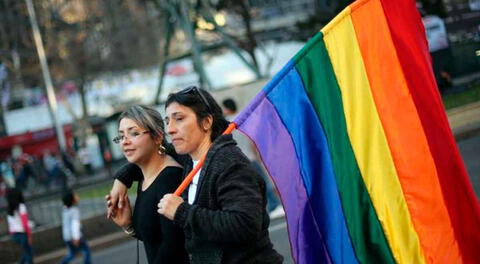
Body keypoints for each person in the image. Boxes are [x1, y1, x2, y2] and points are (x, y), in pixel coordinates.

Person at [108, 86, 283, 263]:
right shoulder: (189, 161)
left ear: (206, 122)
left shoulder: (229, 163)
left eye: (179, 119)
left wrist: (182, 212)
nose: (170, 129)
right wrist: (122, 179)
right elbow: (151, 153)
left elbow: (245, 224)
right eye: (168, 121)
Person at [107, 105, 189, 264]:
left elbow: (174, 249)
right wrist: (128, 225)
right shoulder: (145, 176)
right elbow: (154, 238)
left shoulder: (169, 178)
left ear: (157, 136)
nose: (125, 142)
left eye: (134, 133)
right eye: (121, 136)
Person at [222, 98, 284, 219]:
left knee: (252, 186)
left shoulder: (228, 125)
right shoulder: (243, 119)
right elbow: (252, 140)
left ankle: (272, 207)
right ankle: (273, 206)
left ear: (227, 109)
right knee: (262, 182)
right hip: (251, 157)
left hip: (240, 160)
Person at [60, 190, 91, 264]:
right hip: (74, 236)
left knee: (72, 253)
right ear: (72, 200)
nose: (77, 197)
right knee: (86, 250)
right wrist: (76, 238)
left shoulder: (65, 210)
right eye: (75, 196)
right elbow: (75, 225)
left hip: (67, 237)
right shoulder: (74, 211)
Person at [6, 187, 33, 264]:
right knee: (29, 255)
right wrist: (29, 235)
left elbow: (10, 225)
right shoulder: (21, 207)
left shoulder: (9, 209)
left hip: (14, 235)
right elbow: (25, 223)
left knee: (26, 252)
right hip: (22, 234)